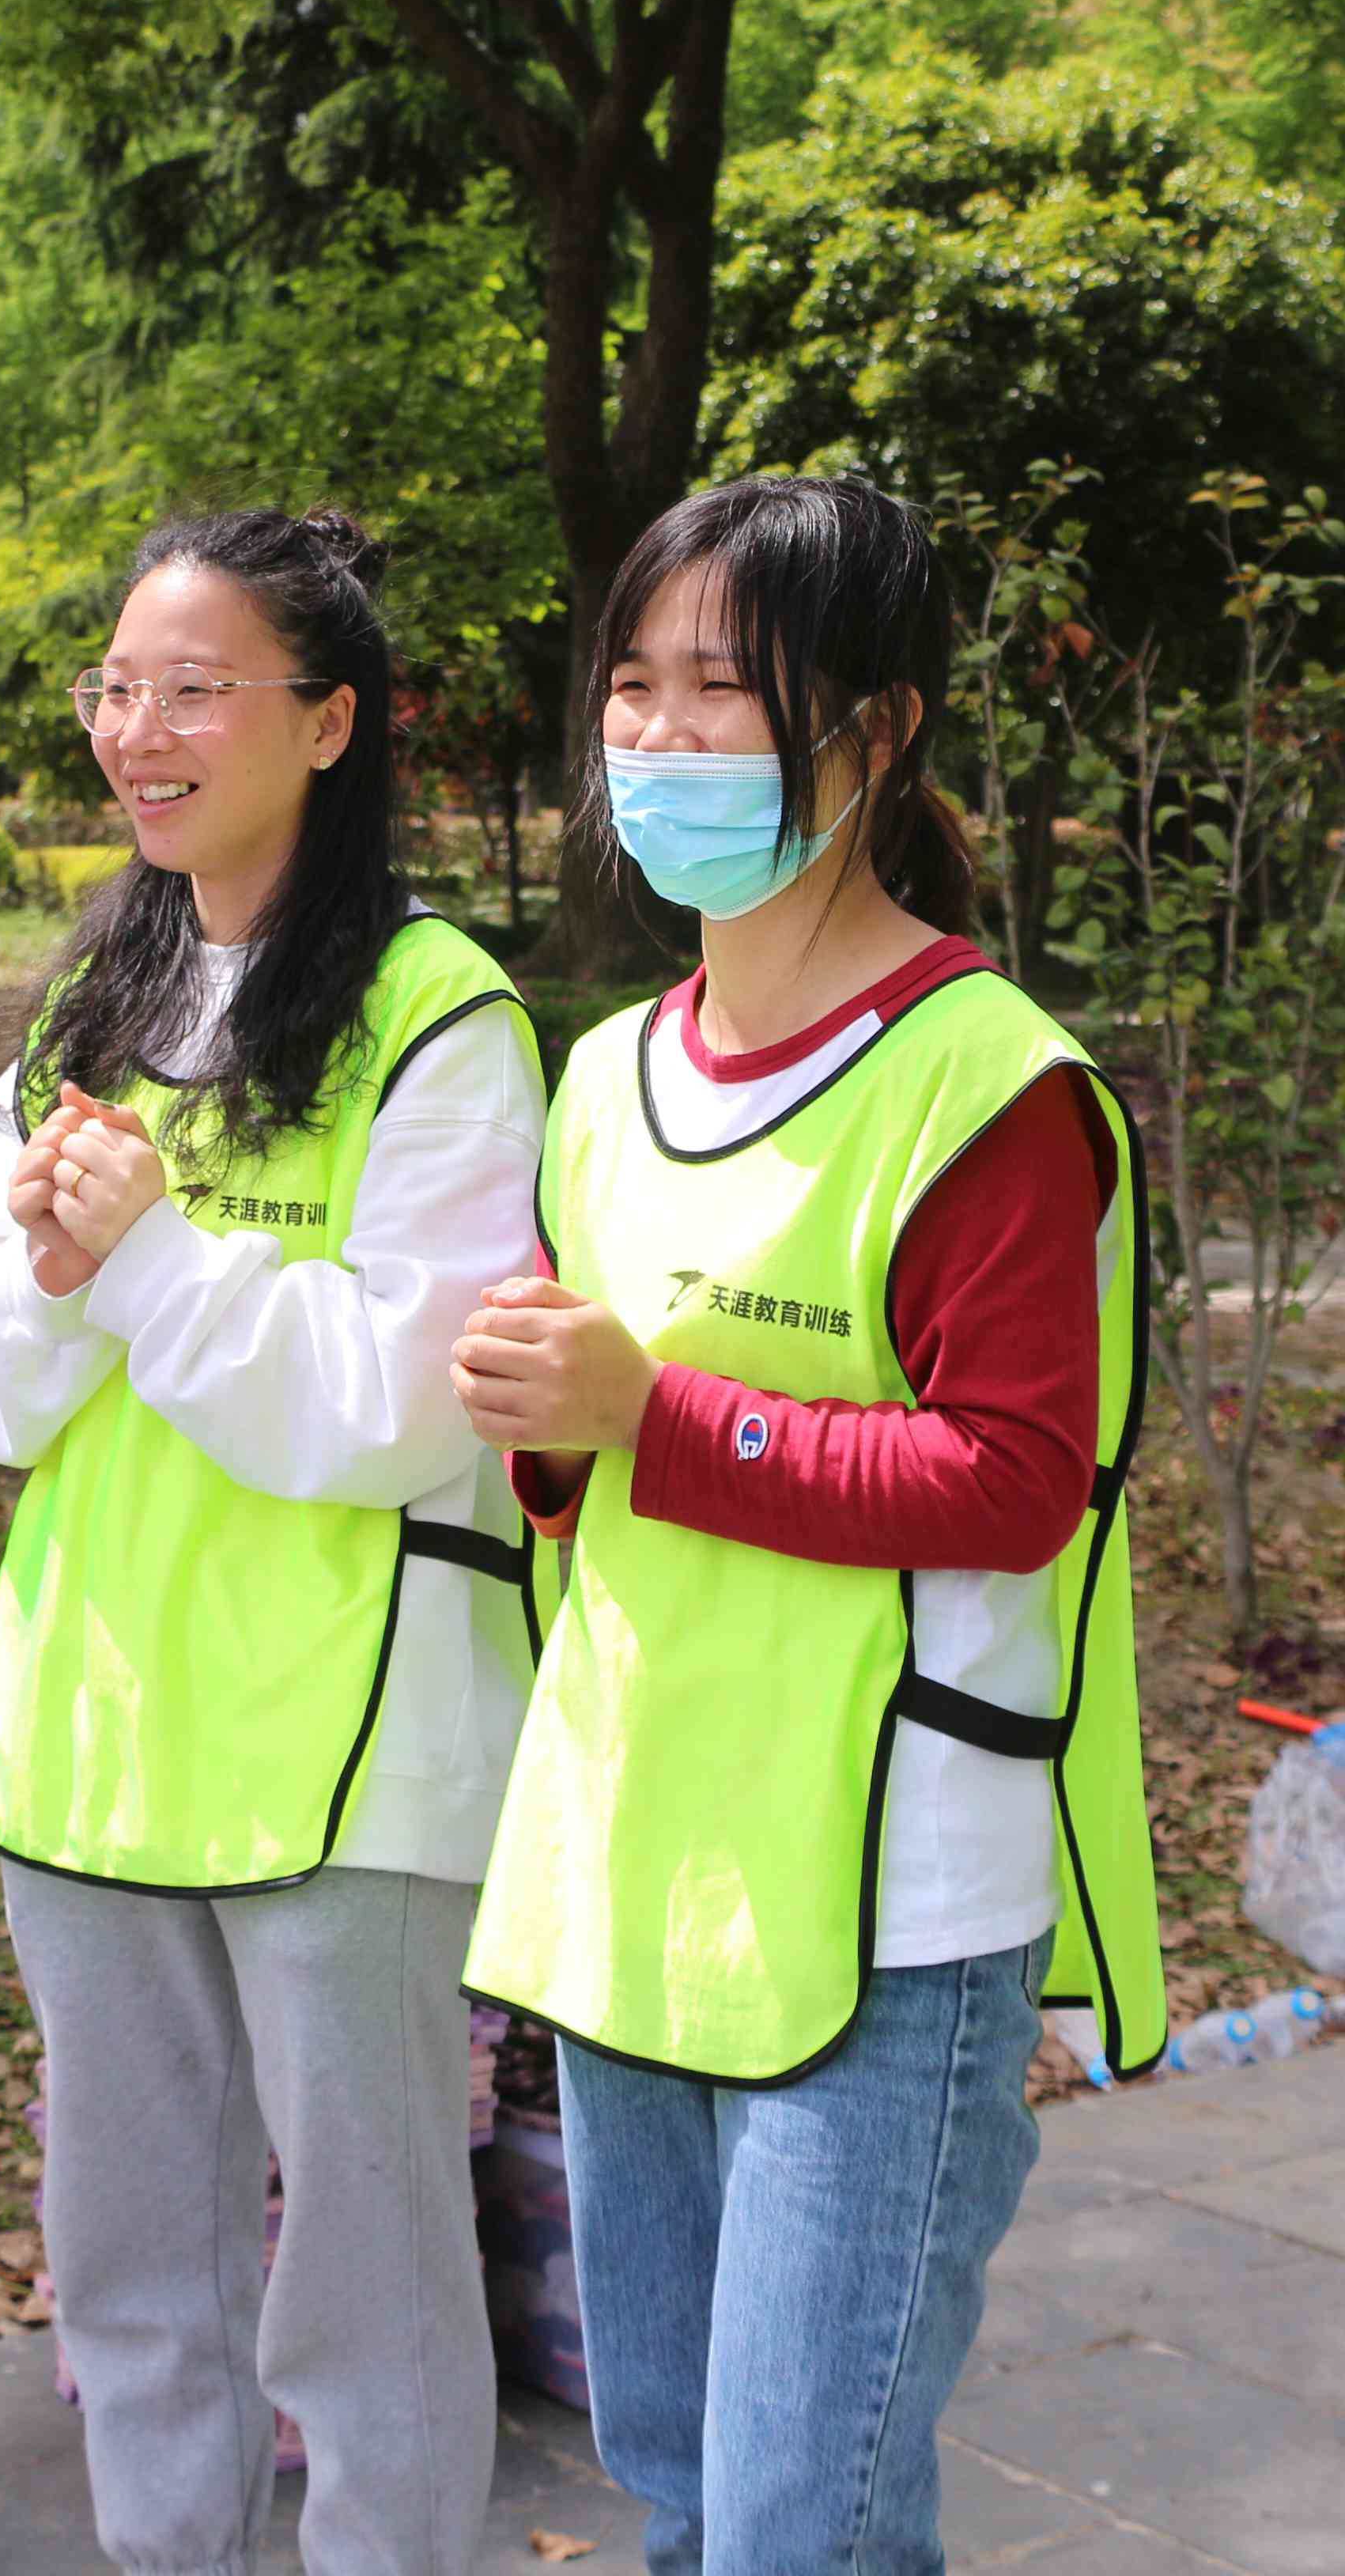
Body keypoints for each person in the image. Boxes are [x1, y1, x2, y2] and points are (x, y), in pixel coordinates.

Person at [447, 474, 1166, 2576]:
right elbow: (588, 1469)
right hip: (636, 1860)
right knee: (677, 2484)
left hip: (887, 1912)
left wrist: (647, 1421)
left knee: (799, 2526)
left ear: (874, 736)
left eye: (724, 697)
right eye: (635, 694)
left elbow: (1016, 1484)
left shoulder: (988, 1089)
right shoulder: (607, 1077)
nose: (661, 744)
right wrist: (549, 1430)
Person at [0, 506, 542, 2574]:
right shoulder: (92, 991)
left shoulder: (440, 1015)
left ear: (331, 721)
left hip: (343, 1765)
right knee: (132, 2291)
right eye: (120, 687)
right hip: (92, 1738)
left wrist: (144, 1261)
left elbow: (397, 1408)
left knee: (363, 2314)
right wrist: (59, 1276)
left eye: (198, 687)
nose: (142, 729)